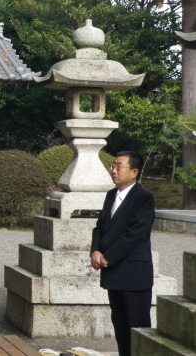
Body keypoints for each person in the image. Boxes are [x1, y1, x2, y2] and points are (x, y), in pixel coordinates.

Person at [90, 151, 154, 356]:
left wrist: (108, 257)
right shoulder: (111, 195)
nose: (114, 171)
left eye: (119, 167)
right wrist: (95, 250)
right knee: (119, 324)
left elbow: (135, 234)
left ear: (134, 172)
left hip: (134, 271)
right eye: (113, 166)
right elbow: (100, 226)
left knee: (137, 327)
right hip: (113, 272)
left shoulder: (143, 197)